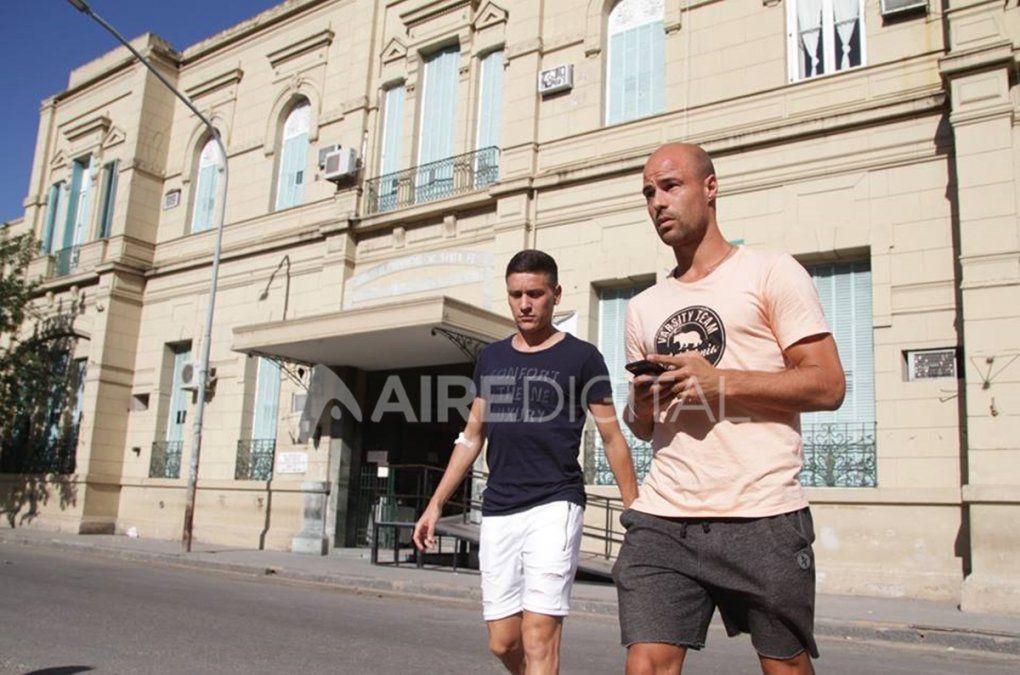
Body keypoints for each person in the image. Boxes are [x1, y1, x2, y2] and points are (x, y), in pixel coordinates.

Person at [615, 143, 846, 675]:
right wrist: (641, 406)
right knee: (645, 663)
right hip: (665, 514)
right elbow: (644, 429)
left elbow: (827, 385)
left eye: (671, 186)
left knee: (784, 666)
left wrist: (719, 382)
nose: (657, 202)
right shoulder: (643, 307)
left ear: (711, 188)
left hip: (762, 511)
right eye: (649, 192)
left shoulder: (771, 272)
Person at [413, 249, 639, 675]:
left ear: (555, 294)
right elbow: (471, 436)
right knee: (503, 642)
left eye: (535, 293)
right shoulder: (492, 358)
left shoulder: (582, 357)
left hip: (556, 504)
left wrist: (634, 510)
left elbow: (612, 437)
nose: (524, 303)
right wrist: (436, 503)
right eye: (515, 294)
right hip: (499, 507)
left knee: (539, 637)